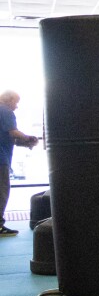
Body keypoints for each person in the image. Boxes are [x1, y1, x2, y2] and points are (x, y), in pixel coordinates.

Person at [0, 90, 39, 237]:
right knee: (2, 190)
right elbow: (13, 132)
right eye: (16, 102)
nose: (16, 106)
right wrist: (29, 138)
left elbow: (7, 137)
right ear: (8, 100)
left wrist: (23, 142)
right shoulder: (6, 111)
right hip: (1, 159)